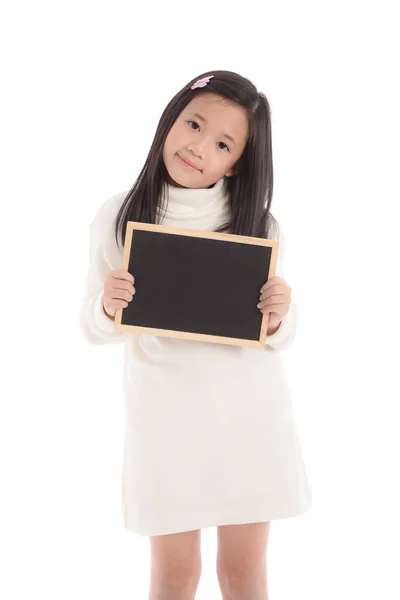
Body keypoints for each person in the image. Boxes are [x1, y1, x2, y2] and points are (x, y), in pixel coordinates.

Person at [80, 70, 312, 600]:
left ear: (238, 163)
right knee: (174, 578)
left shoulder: (257, 222)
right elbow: (91, 325)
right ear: (170, 120)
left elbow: (275, 331)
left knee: (243, 575)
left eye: (223, 143)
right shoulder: (118, 216)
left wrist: (280, 315)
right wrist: (106, 305)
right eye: (194, 124)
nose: (198, 147)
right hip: (166, 422)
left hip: (251, 418)